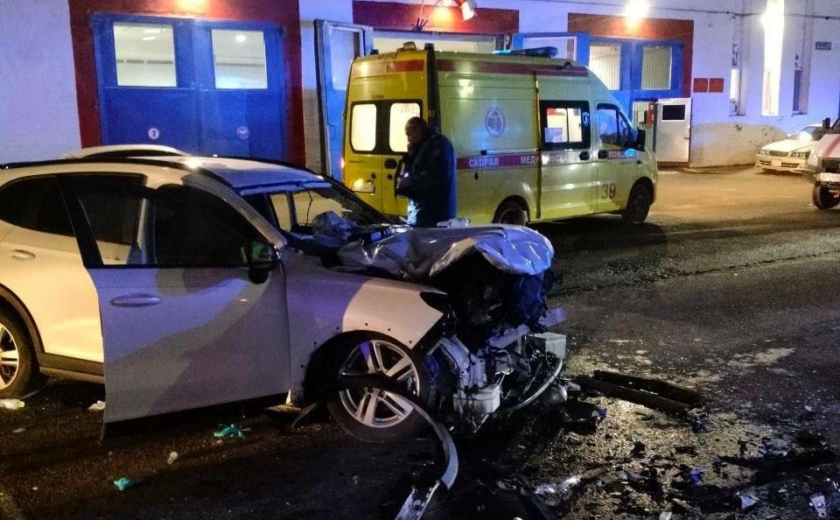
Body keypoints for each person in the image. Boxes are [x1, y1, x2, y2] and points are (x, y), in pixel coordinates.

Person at [396, 116, 456, 227]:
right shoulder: (425, 146)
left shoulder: (437, 145)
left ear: (418, 131)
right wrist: (411, 156)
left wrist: (411, 182)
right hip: (425, 214)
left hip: (432, 216)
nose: (408, 139)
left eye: (409, 134)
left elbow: (436, 176)